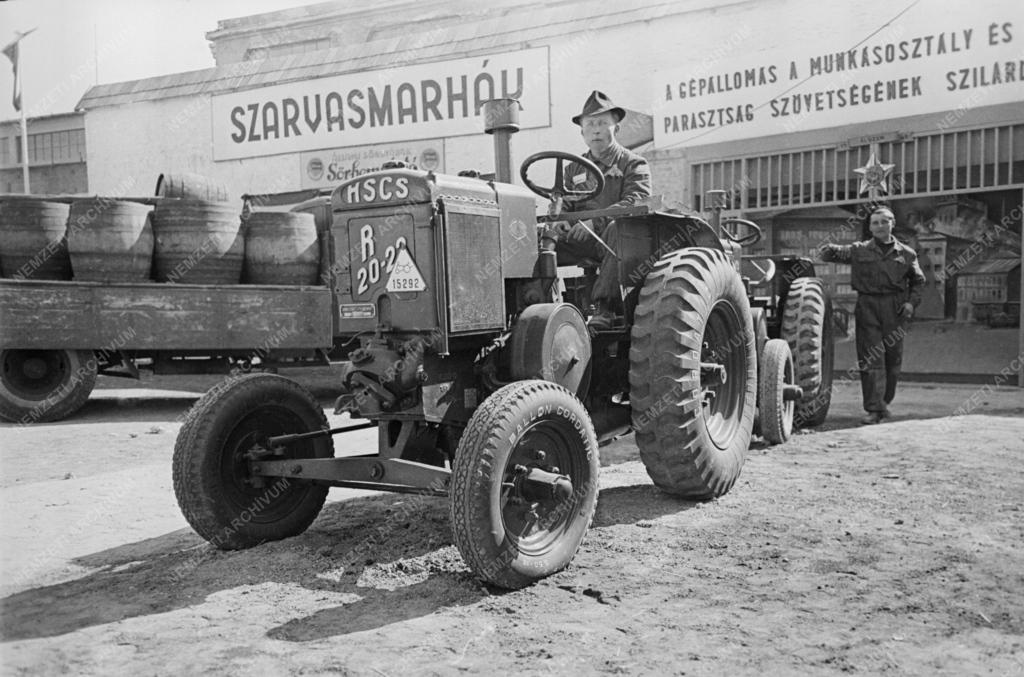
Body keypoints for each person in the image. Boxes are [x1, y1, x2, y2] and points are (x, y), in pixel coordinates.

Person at [819, 205, 926, 424]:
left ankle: (884, 402)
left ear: (892, 224)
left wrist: (910, 304)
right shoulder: (859, 249)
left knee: (893, 360)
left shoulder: (906, 254)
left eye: (884, 222)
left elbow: (918, 281)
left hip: (895, 308)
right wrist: (828, 248)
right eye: (875, 223)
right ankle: (875, 408)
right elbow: (831, 253)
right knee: (871, 359)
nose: (879, 226)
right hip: (868, 306)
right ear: (869, 227)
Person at [556, 90, 652, 330]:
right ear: (582, 132)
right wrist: (560, 221)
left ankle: (604, 309)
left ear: (616, 128)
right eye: (589, 124)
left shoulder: (633, 164)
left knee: (615, 228)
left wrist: (593, 224)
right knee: (539, 241)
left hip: (621, 243)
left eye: (602, 123)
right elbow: (563, 201)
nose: (595, 130)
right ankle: (541, 304)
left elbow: (635, 202)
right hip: (580, 239)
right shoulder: (573, 169)